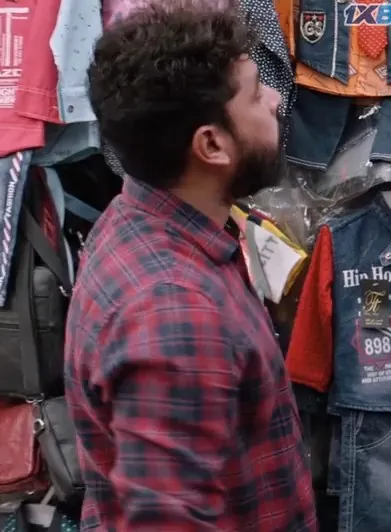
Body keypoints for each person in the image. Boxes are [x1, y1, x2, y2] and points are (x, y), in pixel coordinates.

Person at [64, 4, 317, 531]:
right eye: (256, 94)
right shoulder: (176, 310)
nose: (275, 100)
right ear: (211, 144)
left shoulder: (136, 216)